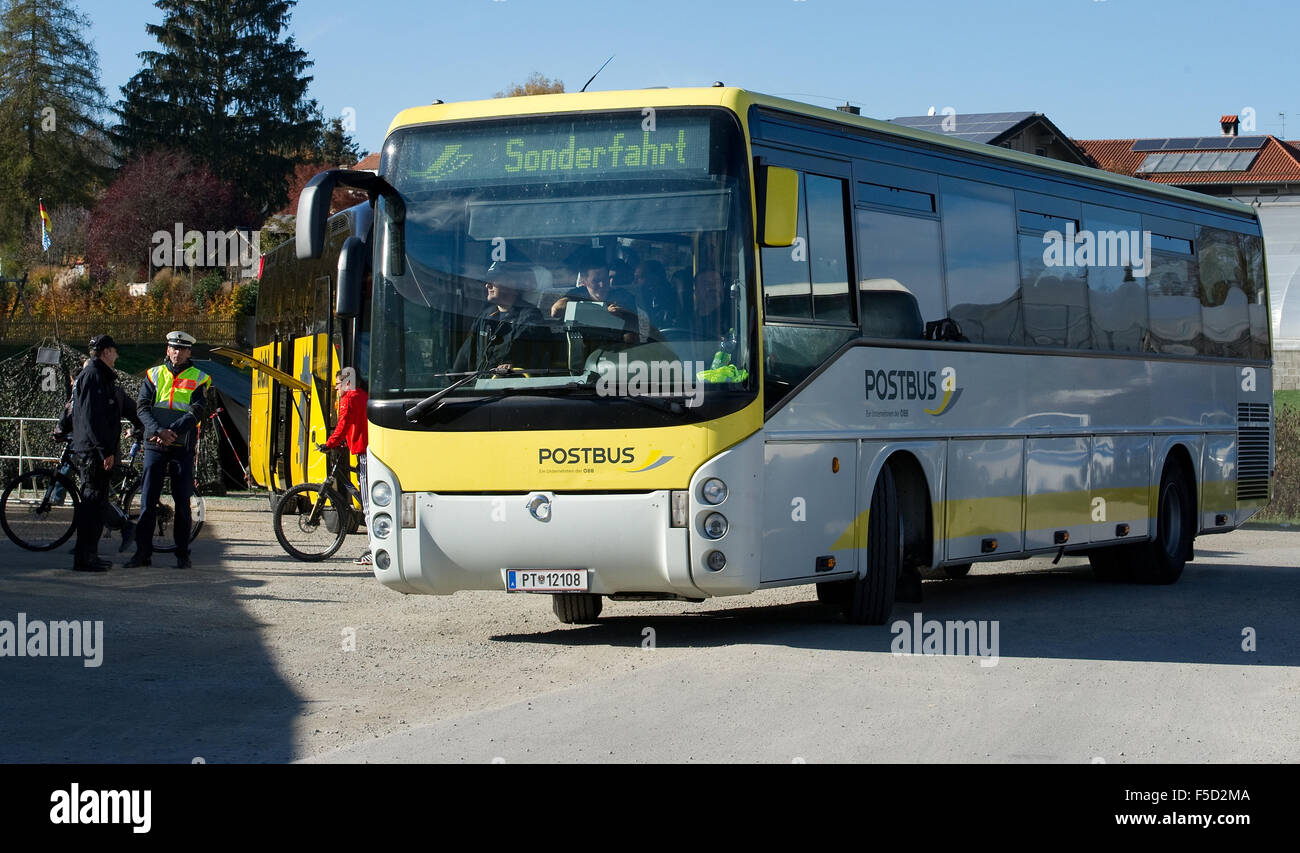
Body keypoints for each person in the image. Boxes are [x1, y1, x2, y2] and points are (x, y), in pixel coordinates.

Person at [125, 330, 211, 569]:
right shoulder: (153, 375)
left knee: (182, 499)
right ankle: (143, 553)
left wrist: (171, 430)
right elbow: (142, 407)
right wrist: (158, 431)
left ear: (188, 352)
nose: (177, 353)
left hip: (181, 444)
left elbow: (197, 410)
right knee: (147, 498)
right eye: (174, 348)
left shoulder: (200, 377)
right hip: (155, 442)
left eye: (182, 349)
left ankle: (182, 554)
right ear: (167, 350)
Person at [68, 335, 121, 572]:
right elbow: (93, 418)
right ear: (106, 352)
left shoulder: (95, 375)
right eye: (114, 351)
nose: (117, 356)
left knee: (97, 505)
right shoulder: (94, 376)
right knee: (91, 505)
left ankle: (91, 554)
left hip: (93, 450)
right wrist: (104, 450)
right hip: (93, 453)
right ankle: (85, 557)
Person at [317, 367, 371, 565]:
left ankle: (374, 550)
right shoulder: (363, 395)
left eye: (337, 385)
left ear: (346, 383)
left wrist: (329, 444)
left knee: (367, 504)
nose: (336, 389)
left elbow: (343, 425)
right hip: (370, 448)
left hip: (365, 452)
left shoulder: (348, 399)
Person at [452, 262, 544, 373]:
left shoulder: (530, 317)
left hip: (509, 387)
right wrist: (449, 381)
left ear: (513, 284)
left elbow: (528, 358)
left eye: (493, 280)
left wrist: (511, 366)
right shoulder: (484, 317)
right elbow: (464, 357)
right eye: (487, 281)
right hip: (480, 387)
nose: (487, 285)